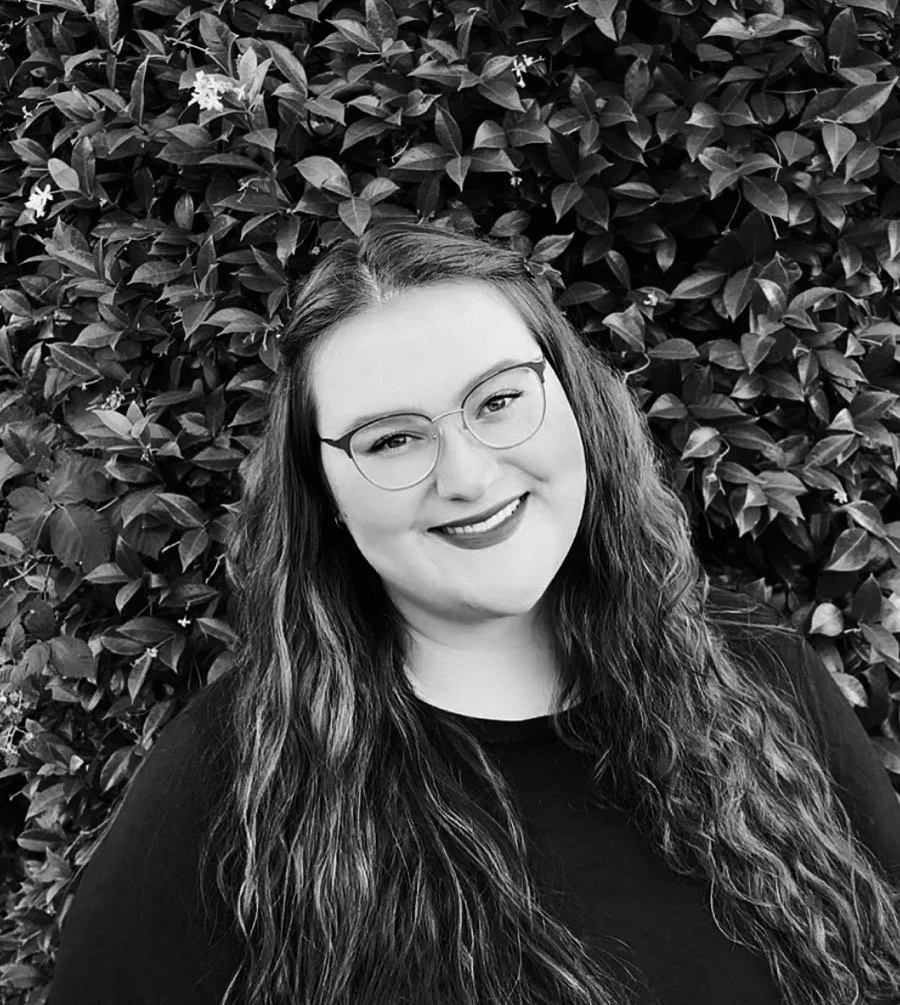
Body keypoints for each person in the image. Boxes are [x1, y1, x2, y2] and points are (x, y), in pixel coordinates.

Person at [46, 221, 900, 1005]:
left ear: (573, 399)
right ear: (325, 494)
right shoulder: (226, 785)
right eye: (392, 439)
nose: (467, 476)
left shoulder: (758, 670)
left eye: (498, 400)